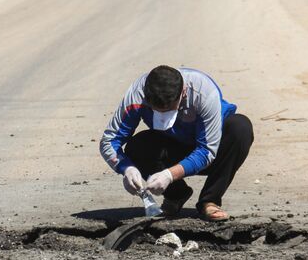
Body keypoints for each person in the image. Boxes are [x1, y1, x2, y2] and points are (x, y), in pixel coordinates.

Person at [100, 65, 253, 221]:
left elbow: (206, 151)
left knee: (240, 128)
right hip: (172, 145)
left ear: (184, 92)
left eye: (169, 110)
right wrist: (126, 168)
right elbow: (109, 140)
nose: (163, 115)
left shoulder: (204, 93)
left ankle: (210, 200)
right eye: (157, 111)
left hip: (211, 150)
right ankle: (176, 196)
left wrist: (169, 175)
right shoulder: (137, 95)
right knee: (137, 146)